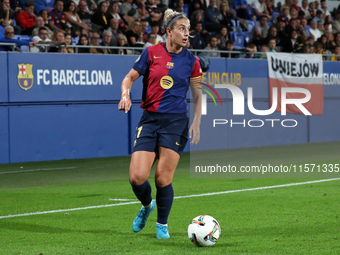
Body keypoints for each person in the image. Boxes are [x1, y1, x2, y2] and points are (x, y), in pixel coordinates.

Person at [118, 9, 202, 239]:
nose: (186, 34)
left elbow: (197, 95)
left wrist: (196, 121)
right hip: (150, 119)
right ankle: (147, 206)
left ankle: (162, 225)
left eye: (188, 30)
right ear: (169, 31)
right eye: (181, 29)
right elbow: (129, 78)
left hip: (175, 122)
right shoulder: (151, 53)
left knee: (163, 178)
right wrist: (125, 94)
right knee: (137, 177)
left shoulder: (192, 62)